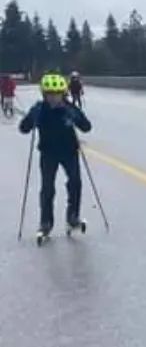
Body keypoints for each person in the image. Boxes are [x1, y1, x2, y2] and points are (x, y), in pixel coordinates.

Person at [19, 72, 92, 238]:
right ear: (44, 94)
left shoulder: (70, 108)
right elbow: (23, 129)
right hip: (48, 153)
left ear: (63, 93)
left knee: (75, 183)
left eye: (57, 94)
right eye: (50, 94)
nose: (54, 98)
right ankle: (46, 223)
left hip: (69, 152)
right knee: (47, 188)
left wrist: (76, 116)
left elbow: (87, 127)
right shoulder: (39, 109)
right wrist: (32, 118)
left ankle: (72, 217)